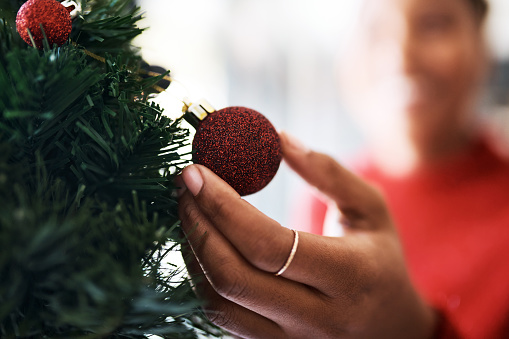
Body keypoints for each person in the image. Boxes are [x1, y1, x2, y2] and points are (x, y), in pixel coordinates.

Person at [177, 0, 509, 338]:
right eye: (375, 28)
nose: (402, 56)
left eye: (434, 24)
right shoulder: (324, 204)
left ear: (482, 42)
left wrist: (408, 329)